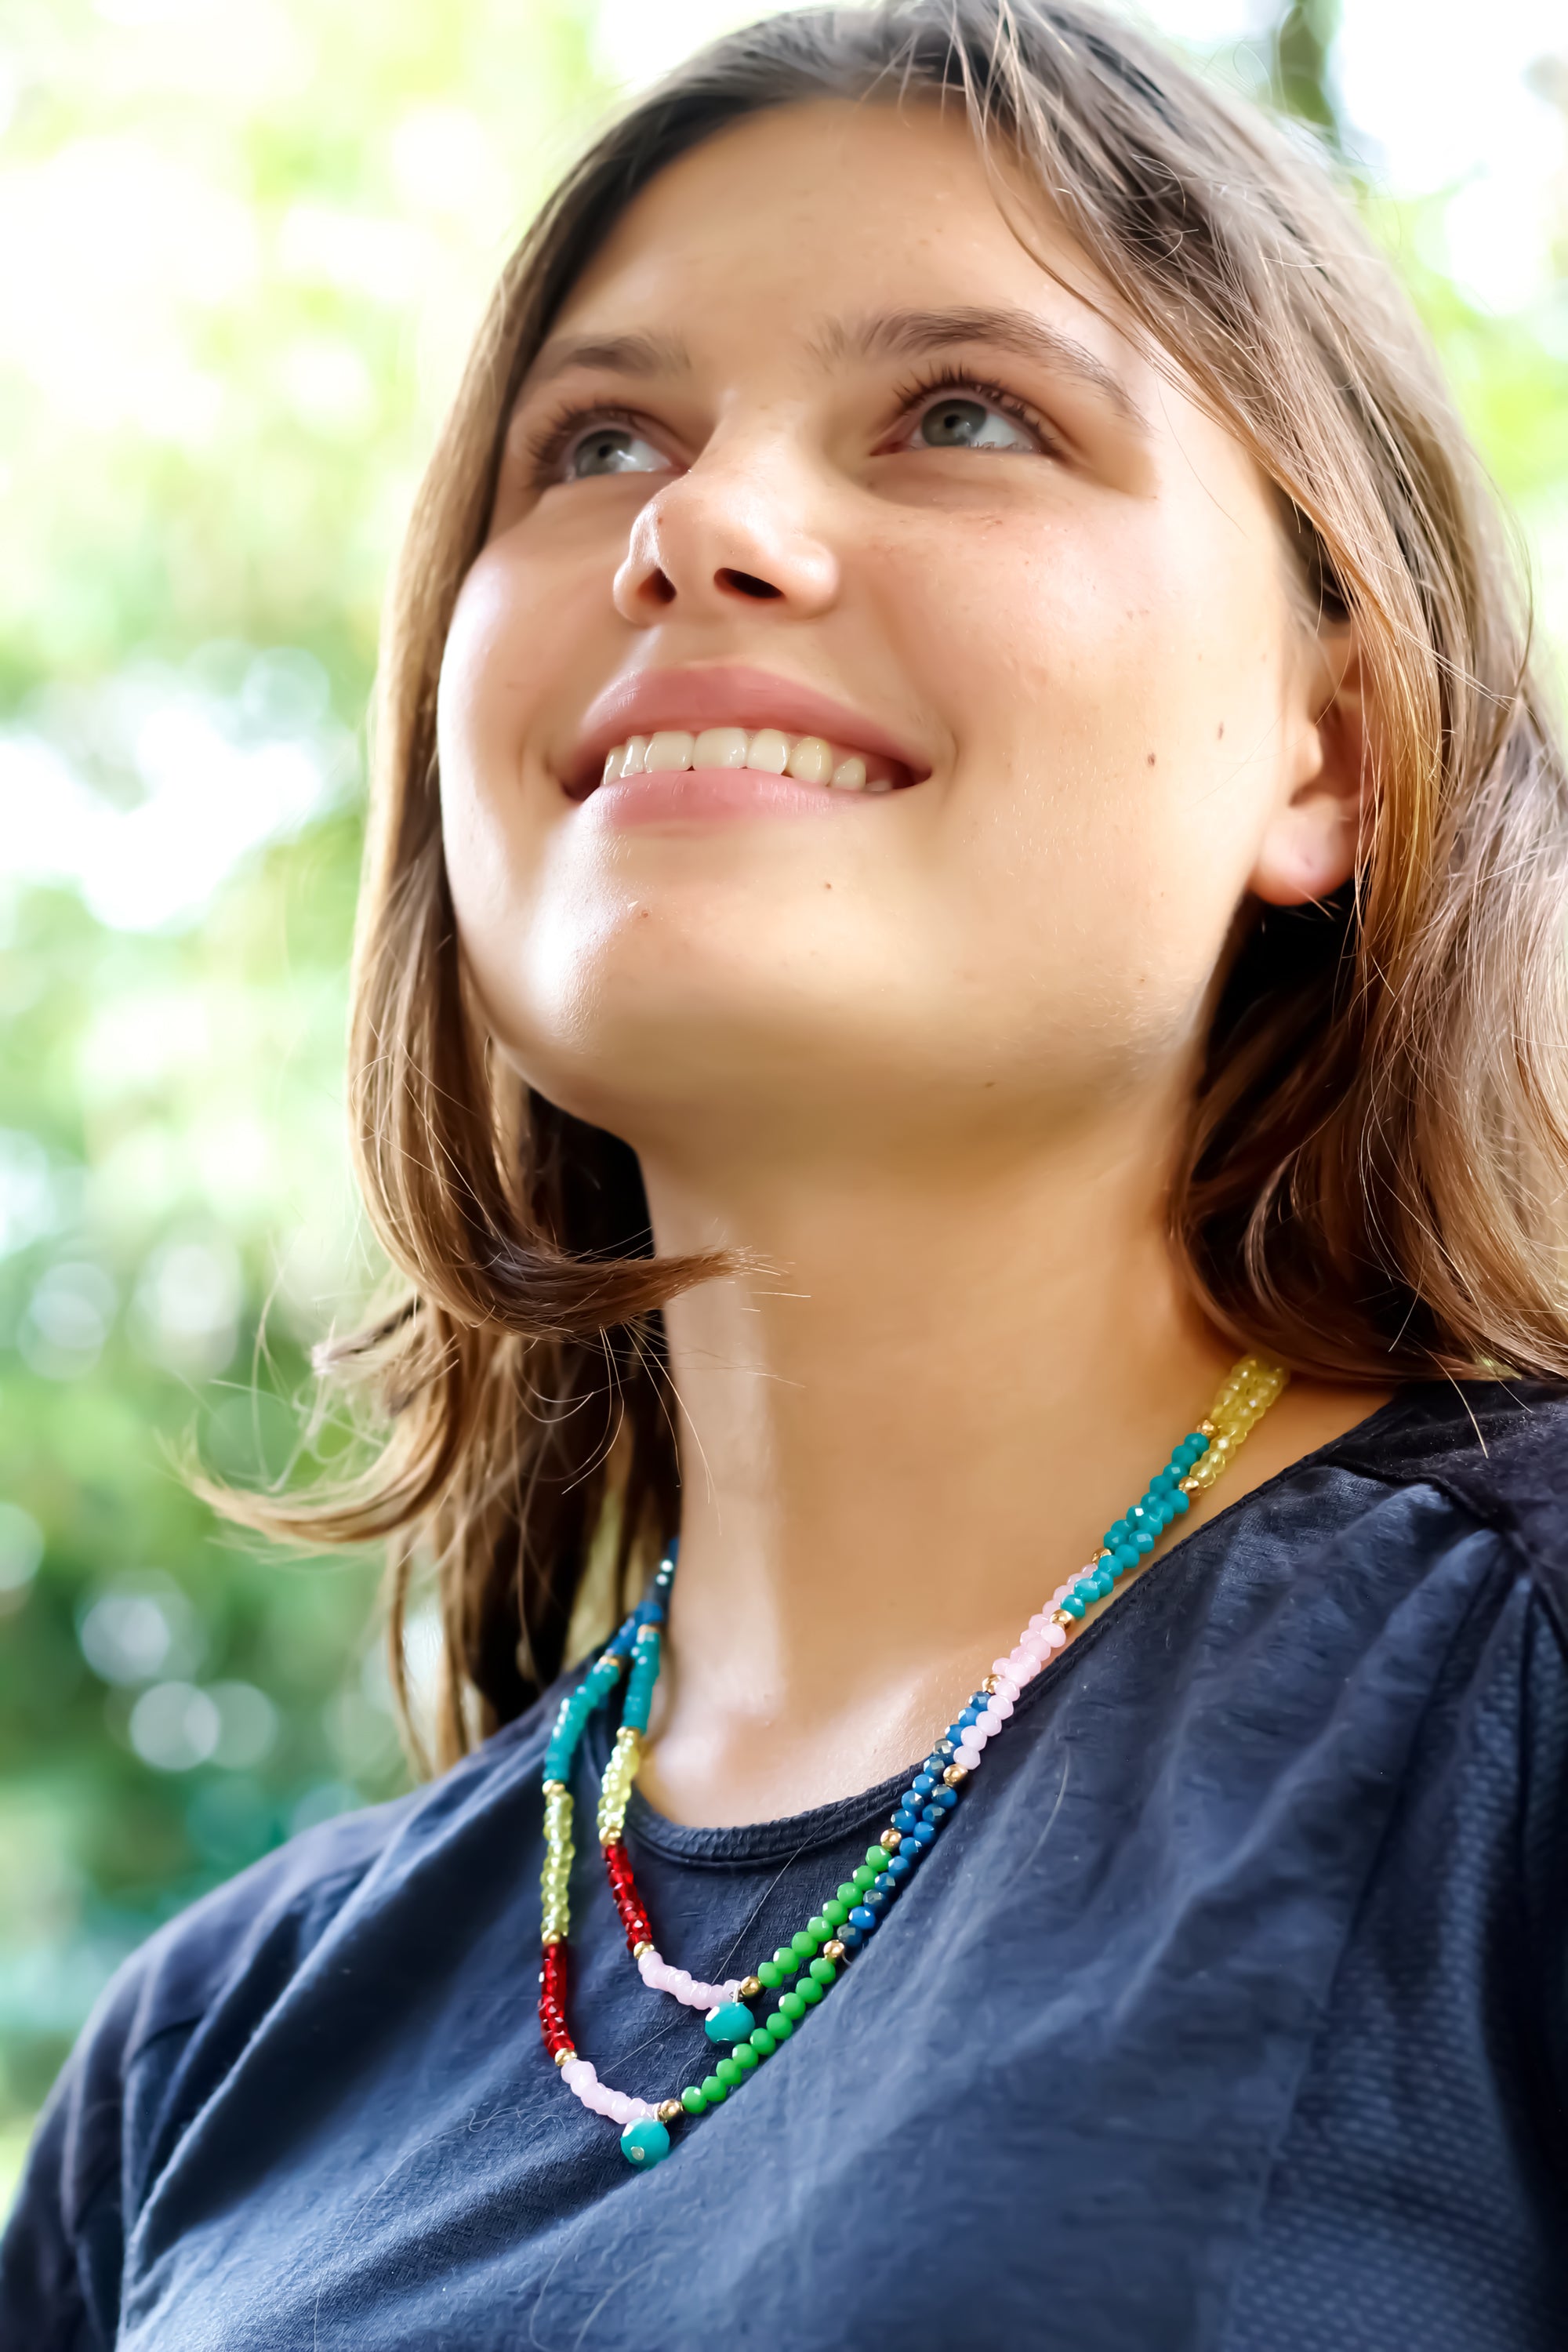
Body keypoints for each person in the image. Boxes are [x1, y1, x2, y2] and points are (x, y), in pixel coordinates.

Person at [6, 1, 1568, 2343]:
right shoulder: (207, 2062)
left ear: (1331, 754)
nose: (695, 525)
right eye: (597, 441)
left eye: (964, 415)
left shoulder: (1516, 1695)